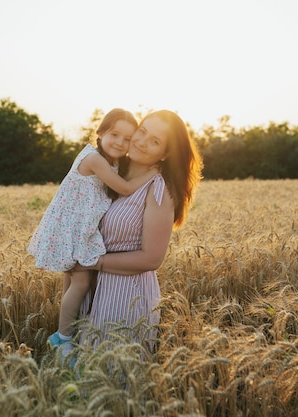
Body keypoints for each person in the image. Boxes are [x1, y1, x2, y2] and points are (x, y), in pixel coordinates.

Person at [27, 108, 159, 357]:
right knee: (81, 281)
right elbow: (126, 188)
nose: (120, 142)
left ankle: (67, 335)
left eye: (127, 139)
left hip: (79, 224)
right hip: (73, 227)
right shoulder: (95, 159)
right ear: (100, 133)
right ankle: (63, 338)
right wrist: (153, 172)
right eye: (114, 134)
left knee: (72, 278)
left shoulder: (110, 160)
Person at [73, 109, 203, 352]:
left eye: (154, 141)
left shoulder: (158, 189)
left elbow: (152, 258)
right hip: (86, 290)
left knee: (114, 379)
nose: (141, 142)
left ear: (165, 154)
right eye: (142, 131)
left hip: (124, 297)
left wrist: (92, 263)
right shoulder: (107, 172)